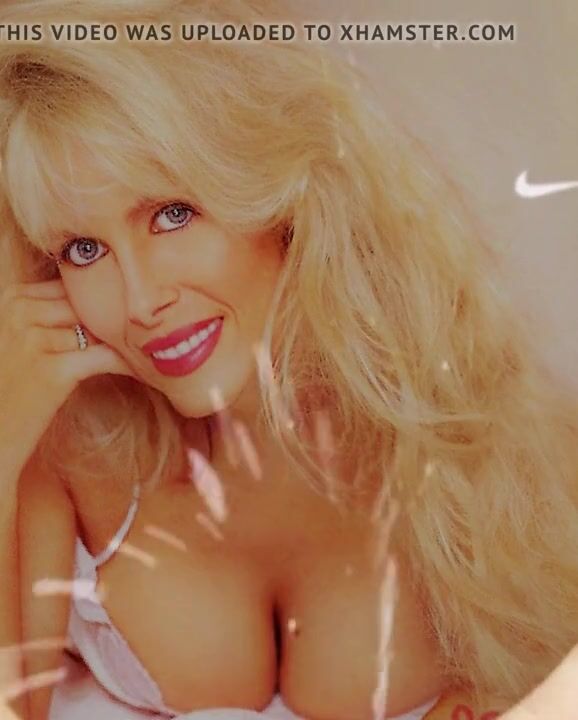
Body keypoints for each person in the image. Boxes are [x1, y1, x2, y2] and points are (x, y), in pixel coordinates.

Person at [0, 0, 577, 719]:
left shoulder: (483, 446)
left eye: (173, 214)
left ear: (281, 198)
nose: (140, 301)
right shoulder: (63, 455)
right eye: (84, 249)